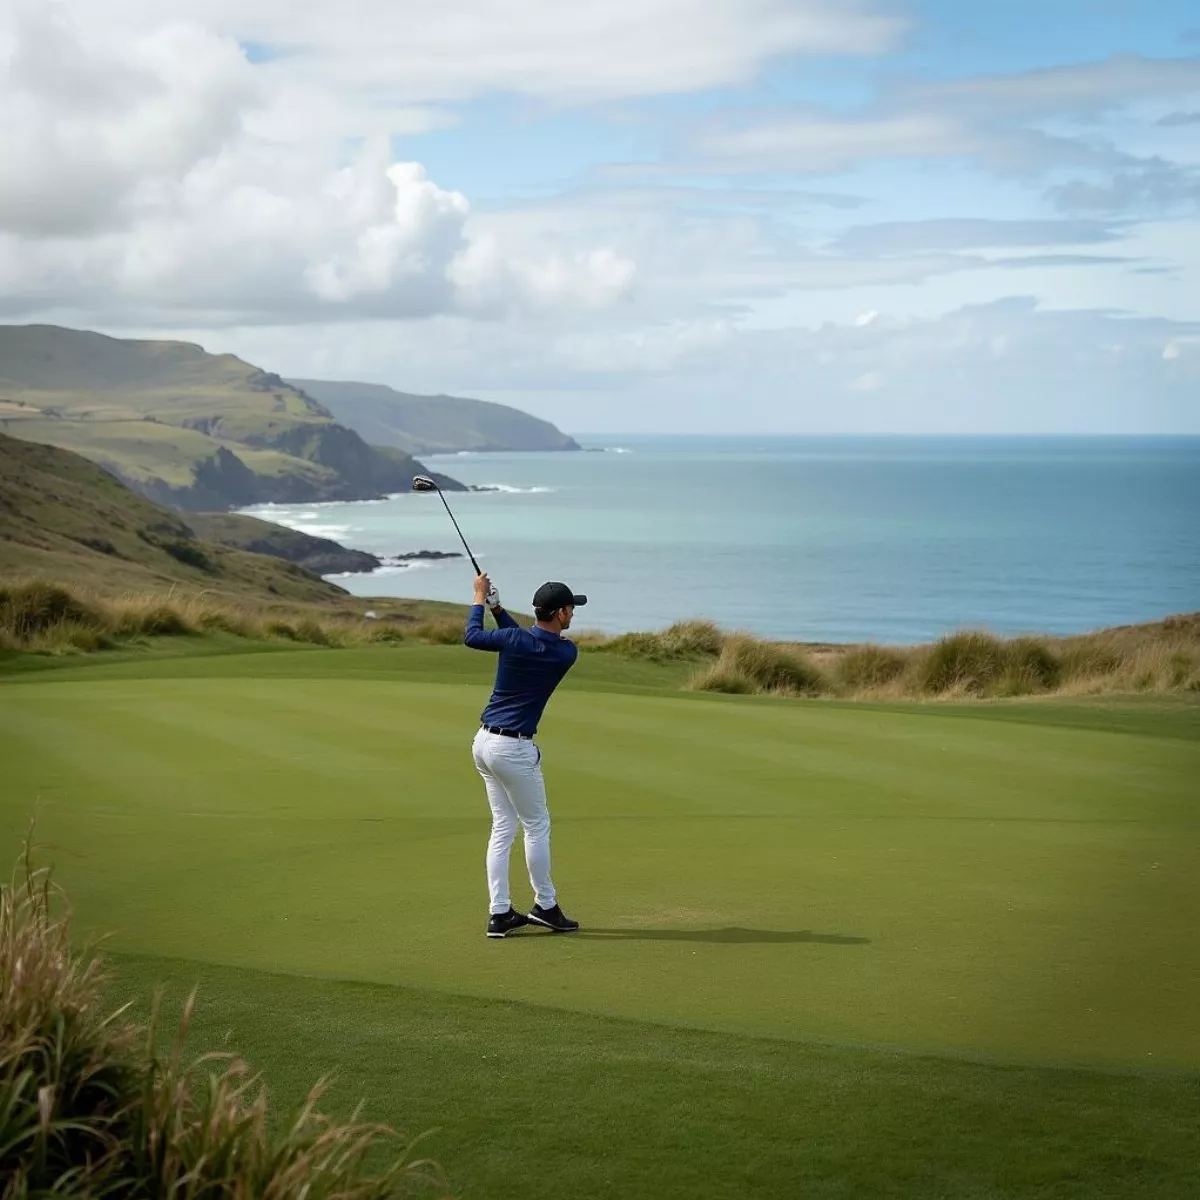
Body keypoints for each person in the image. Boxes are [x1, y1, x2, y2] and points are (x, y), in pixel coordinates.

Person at [464, 573, 586, 938]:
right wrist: (492, 605)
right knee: (536, 825)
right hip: (514, 748)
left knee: (503, 828)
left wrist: (481, 601)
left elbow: (476, 637)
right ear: (560, 614)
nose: (573, 615)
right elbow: (526, 640)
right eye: (570, 609)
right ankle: (545, 906)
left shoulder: (516, 640)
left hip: (483, 743)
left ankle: (499, 913)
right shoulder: (566, 652)